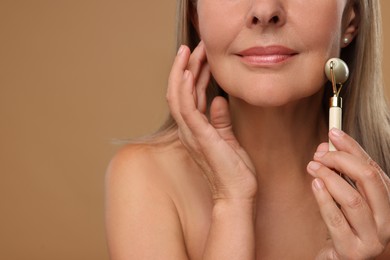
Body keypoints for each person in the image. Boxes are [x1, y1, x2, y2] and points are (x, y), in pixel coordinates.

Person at [105, 0, 390, 259]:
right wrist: (231, 202)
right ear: (195, 15)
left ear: (351, 16)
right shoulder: (146, 178)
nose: (265, 11)